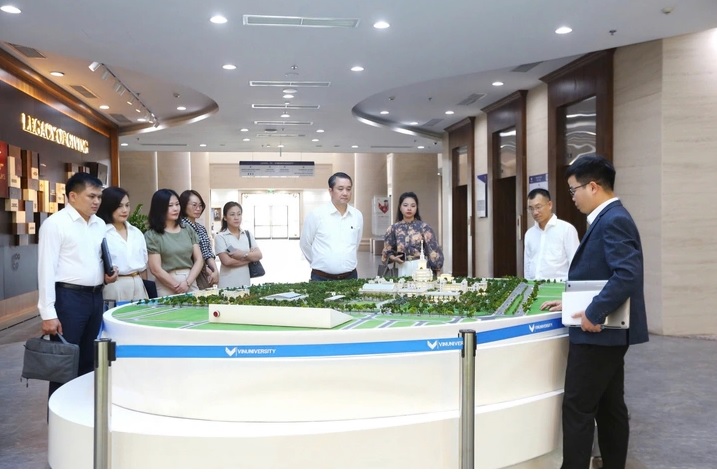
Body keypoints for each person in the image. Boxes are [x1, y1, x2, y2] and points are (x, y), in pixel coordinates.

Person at [540, 154, 649, 469]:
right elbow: (603, 275)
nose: (572, 197)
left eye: (574, 190)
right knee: (609, 407)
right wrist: (575, 304)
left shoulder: (613, 219)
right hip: (607, 333)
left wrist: (594, 312)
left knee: (578, 407)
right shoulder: (609, 218)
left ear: (593, 187)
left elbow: (626, 274)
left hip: (599, 334)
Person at [37, 172, 118, 397]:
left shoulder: (99, 224)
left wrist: (107, 275)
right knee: (64, 364)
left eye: (99, 197)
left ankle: (82, 411)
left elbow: (95, 260)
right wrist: (48, 314)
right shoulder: (55, 224)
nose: (96, 201)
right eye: (91, 196)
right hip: (68, 299)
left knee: (89, 361)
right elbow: (46, 269)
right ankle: (57, 416)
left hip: (96, 297)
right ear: (72, 196)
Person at [300, 172, 363, 281]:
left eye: (348, 189)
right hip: (321, 278)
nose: (345, 193)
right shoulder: (316, 215)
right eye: (340, 189)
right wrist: (320, 262)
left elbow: (356, 243)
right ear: (331, 191)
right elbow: (305, 244)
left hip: (350, 277)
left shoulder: (357, 215)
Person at [144, 189, 204, 297]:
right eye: (170, 205)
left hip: (190, 280)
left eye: (177, 204)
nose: (175, 208)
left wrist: (187, 283)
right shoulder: (152, 235)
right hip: (166, 283)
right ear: (159, 208)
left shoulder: (187, 229)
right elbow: (155, 269)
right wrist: (176, 286)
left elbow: (199, 259)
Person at [96, 186, 149, 302]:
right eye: (119, 206)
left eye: (127, 205)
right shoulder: (101, 233)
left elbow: (144, 265)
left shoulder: (136, 232)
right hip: (115, 285)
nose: (125, 210)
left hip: (138, 282)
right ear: (108, 207)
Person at [381, 192, 444, 277]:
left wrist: (437, 270)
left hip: (420, 267)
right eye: (405, 205)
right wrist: (394, 258)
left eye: (413, 206)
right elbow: (387, 252)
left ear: (416, 208)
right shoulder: (393, 228)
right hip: (400, 267)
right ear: (400, 207)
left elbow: (433, 251)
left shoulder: (424, 228)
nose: (409, 208)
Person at [524, 188, 579, 281]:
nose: (535, 212)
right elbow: (527, 265)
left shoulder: (566, 229)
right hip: (534, 286)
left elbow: (575, 263)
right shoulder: (529, 234)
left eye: (538, 207)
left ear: (549, 205)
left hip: (559, 286)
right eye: (531, 208)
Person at [214, 202, 262, 288]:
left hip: (245, 283)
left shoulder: (247, 234)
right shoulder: (220, 237)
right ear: (225, 217)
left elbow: (259, 255)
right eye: (232, 214)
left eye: (239, 214)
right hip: (227, 284)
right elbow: (227, 262)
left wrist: (242, 254)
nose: (236, 218)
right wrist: (250, 258)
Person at [179, 190, 219, 288]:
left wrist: (215, 270)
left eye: (200, 205)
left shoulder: (201, 228)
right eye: (194, 205)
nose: (198, 208)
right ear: (184, 205)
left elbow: (208, 253)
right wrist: (207, 270)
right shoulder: (180, 227)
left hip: (204, 274)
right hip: (189, 273)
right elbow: (188, 256)